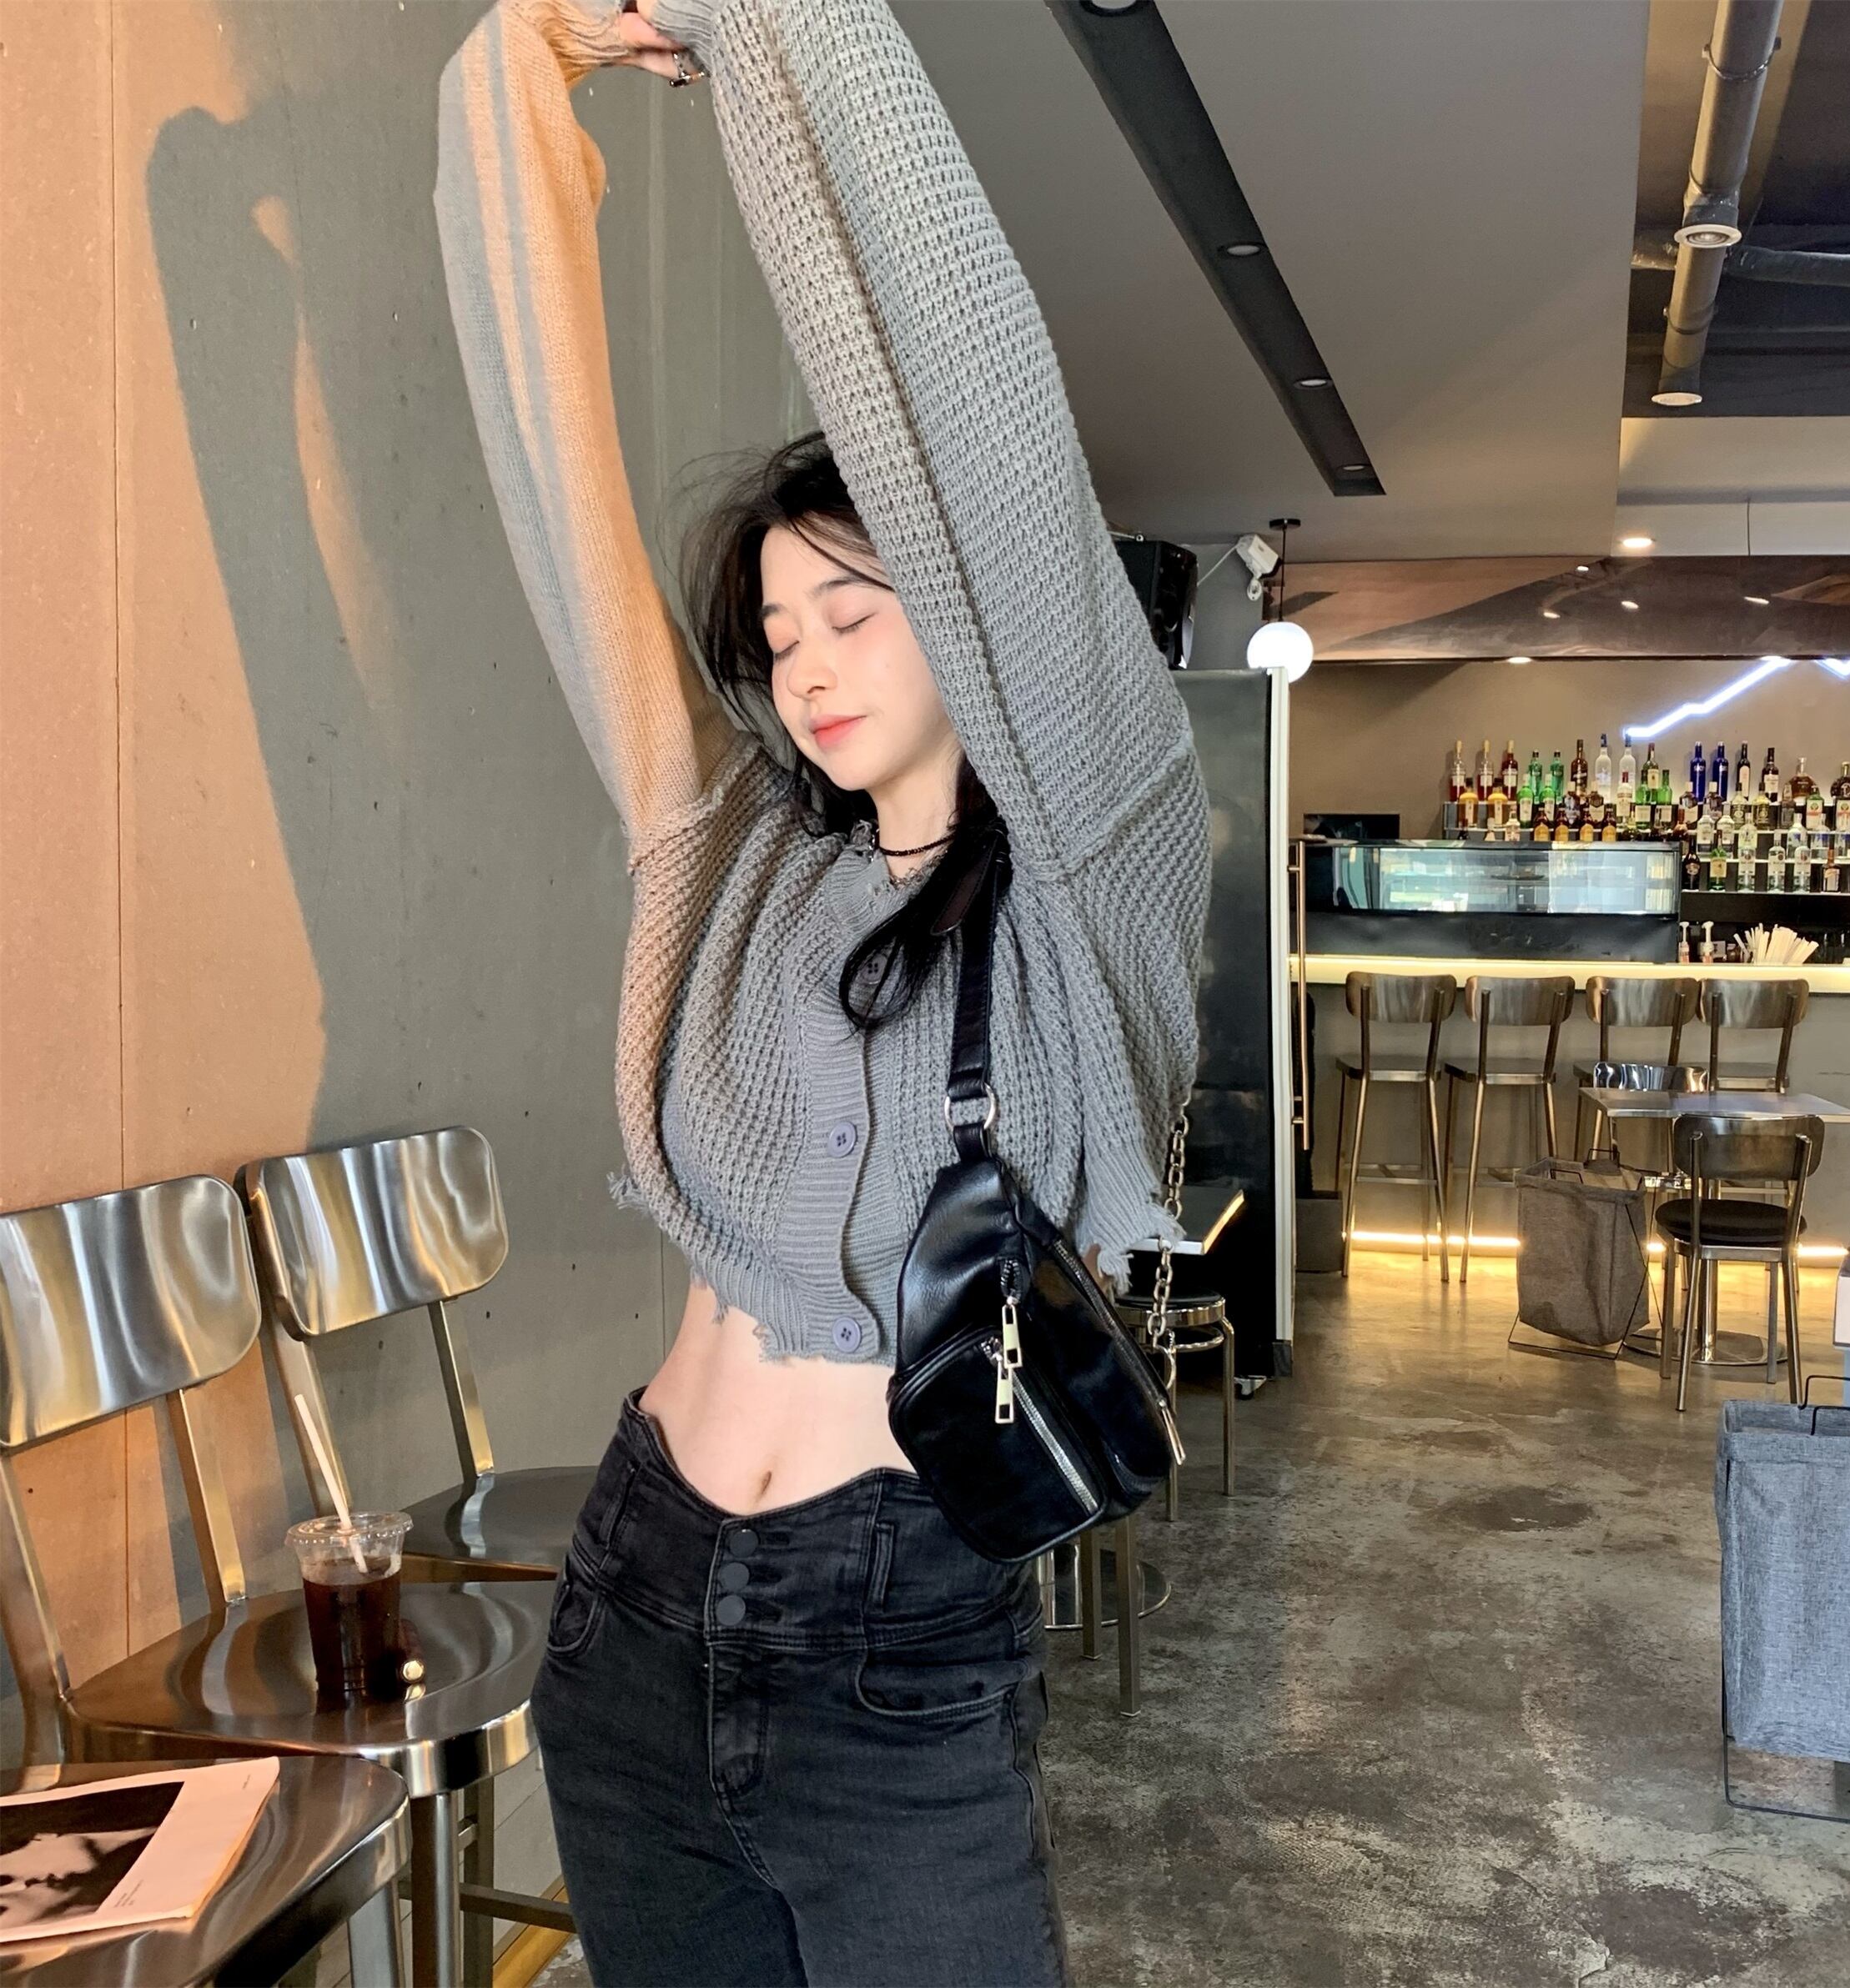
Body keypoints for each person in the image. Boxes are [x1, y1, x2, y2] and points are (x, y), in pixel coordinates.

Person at [433, 0, 1209, 1980]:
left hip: (897, 1639)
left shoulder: (1092, 875)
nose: (806, 662)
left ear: (960, 612)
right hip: (631, 1599)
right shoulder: (734, 852)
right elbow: (558, 514)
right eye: (779, 630)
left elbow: (967, 397)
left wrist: (779, 29)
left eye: (856, 609)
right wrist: (514, 91)